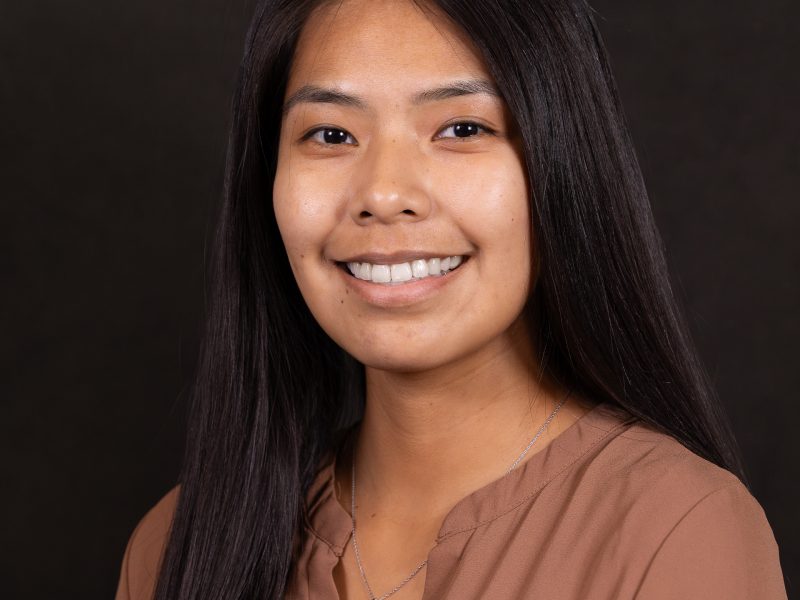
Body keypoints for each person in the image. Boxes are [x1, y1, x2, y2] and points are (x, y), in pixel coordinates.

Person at [115, 1, 787, 599]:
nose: (383, 193)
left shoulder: (676, 530)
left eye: (462, 129)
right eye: (331, 134)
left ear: (562, 164)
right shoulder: (178, 546)